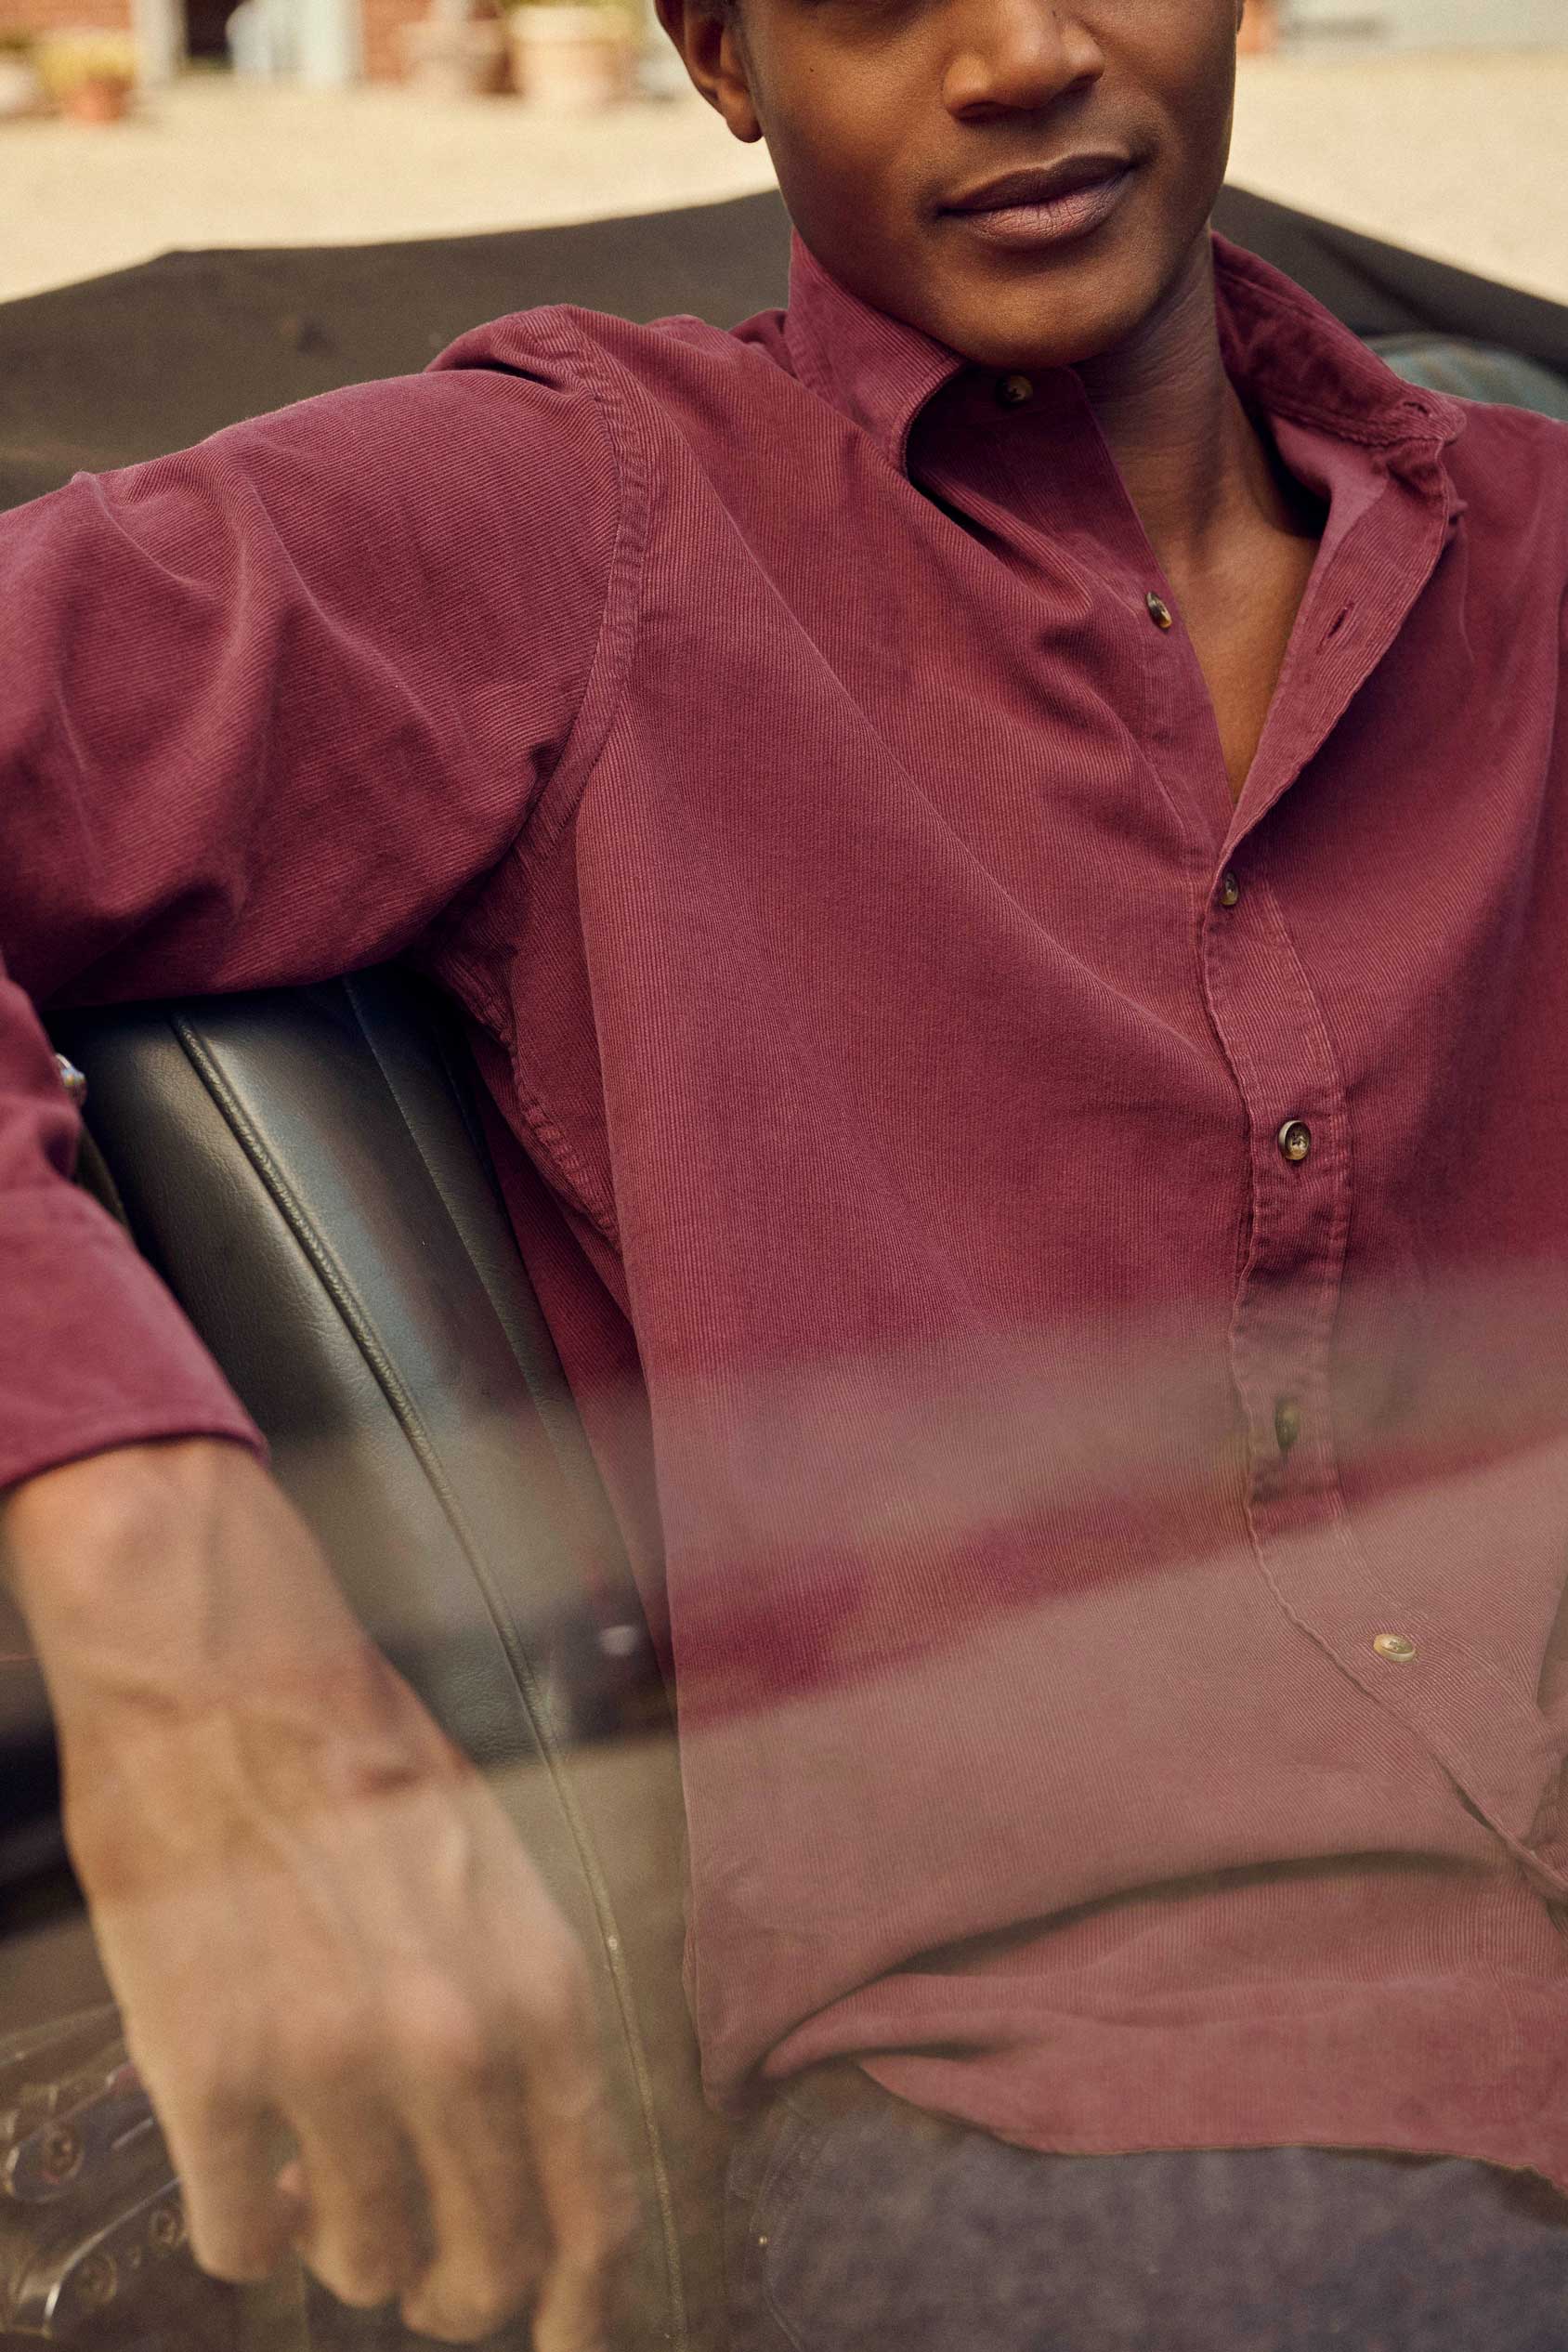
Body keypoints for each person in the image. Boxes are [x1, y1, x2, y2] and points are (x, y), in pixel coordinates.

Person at [2, 0, 1567, 2344]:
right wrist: (142, 1539)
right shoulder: (585, 512)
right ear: (720, 60)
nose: (1021, 52)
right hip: (1100, 2121)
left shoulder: (1529, 552)